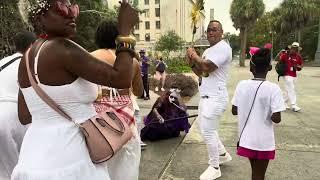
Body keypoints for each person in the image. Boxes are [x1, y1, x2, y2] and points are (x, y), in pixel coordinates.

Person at [12, 0, 139, 180]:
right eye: (62, 8)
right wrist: (125, 31)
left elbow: (24, 115)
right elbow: (121, 79)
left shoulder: (26, 59)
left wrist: (58, 109)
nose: (71, 14)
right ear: (38, 17)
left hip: (33, 157)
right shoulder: (62, 49)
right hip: (71, 156)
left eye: (73, 7)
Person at [91, 19, 143, 179]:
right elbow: (138, 91)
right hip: (125, 125)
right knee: (127, 169)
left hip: (98, 125)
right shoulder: (131, 62)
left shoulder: (88, 58)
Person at [186, 20, 232, 180]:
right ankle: (223, 154)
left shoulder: (223, 48)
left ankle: (214, 166)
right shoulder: (209, 50)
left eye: (214, 30)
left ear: (221, 32)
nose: (211, 32)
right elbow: (202, 73)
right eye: (208, 30)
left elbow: (207, 66)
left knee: (209, 132)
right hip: (206, 96)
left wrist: (194, 55)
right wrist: (191, 63)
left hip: (216, 97)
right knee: (204, 127)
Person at [231, 48, 285, 180]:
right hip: (263, 141)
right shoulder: (274, 88)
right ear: (269, 68)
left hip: (246, 138)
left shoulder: (241, 85)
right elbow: (277, 119)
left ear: (251, 68)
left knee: (255, 172)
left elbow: (234, 110)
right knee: (259, 175)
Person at [0, 31, 36, 180]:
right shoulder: (29, 63)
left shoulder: (2, 62)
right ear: (32, 45)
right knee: (23, 166)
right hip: (14, 115)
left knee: (3, 170)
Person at [279, 42, 303, 112]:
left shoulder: (298, 56)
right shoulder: (285, 55)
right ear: (291, 48)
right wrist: (282, 54)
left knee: (288, 90)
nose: (294, 49)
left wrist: (298, 67)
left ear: (297, 49)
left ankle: (283, 103)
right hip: (286, 74)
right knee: (291, 88)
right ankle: (293, 105)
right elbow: (279, 61)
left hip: (294, 75)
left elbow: (301, 65)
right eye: (293, 48)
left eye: (296, 48)